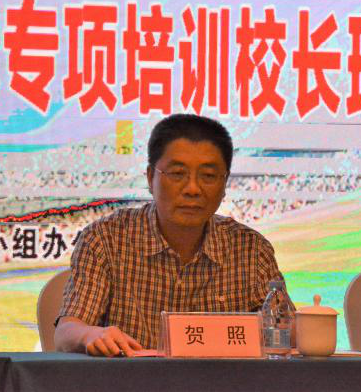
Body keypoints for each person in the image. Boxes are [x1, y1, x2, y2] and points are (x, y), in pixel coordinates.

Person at [54, 114, 286, 356]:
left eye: (208, 176)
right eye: (177, 174)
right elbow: (66, 332)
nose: (193, 189)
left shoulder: (251, 249)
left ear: (225, 182)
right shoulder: (105, 239)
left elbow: (285, 332)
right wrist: (90, 335)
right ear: (150, 177)